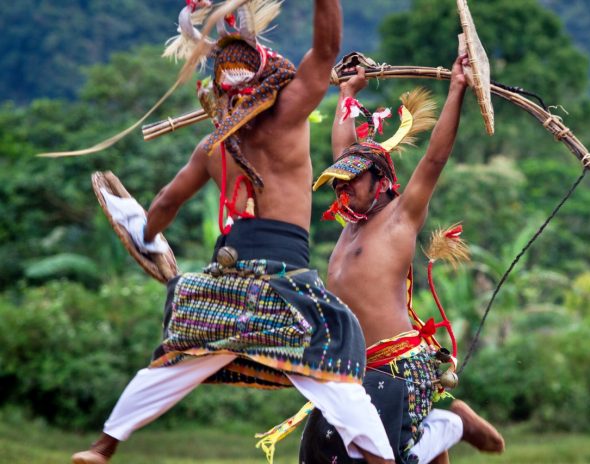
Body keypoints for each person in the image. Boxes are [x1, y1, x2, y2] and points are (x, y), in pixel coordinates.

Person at [71, 1, 395, 463]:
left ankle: (103, 448)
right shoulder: (288, 116)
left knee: (175, 357)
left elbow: (164, 204)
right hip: (285, 283)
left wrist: (146, 240)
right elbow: (326, 50)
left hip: (226, 280)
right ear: (269, 77)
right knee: (334, 358)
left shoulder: (212, 145)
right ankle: (382, 460)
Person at [303, 55, 505, 463]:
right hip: (349, 372)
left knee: (393, 459)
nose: (343, 188)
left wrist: (456, 89)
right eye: (340, 181)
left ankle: (454, 424)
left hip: (396, 368)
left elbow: (433, 160)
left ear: (381, 181)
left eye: (354, 179)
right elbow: (343, 151)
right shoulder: (350, 220)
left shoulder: (399, 219)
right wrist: (346, 93)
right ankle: (447, 430)